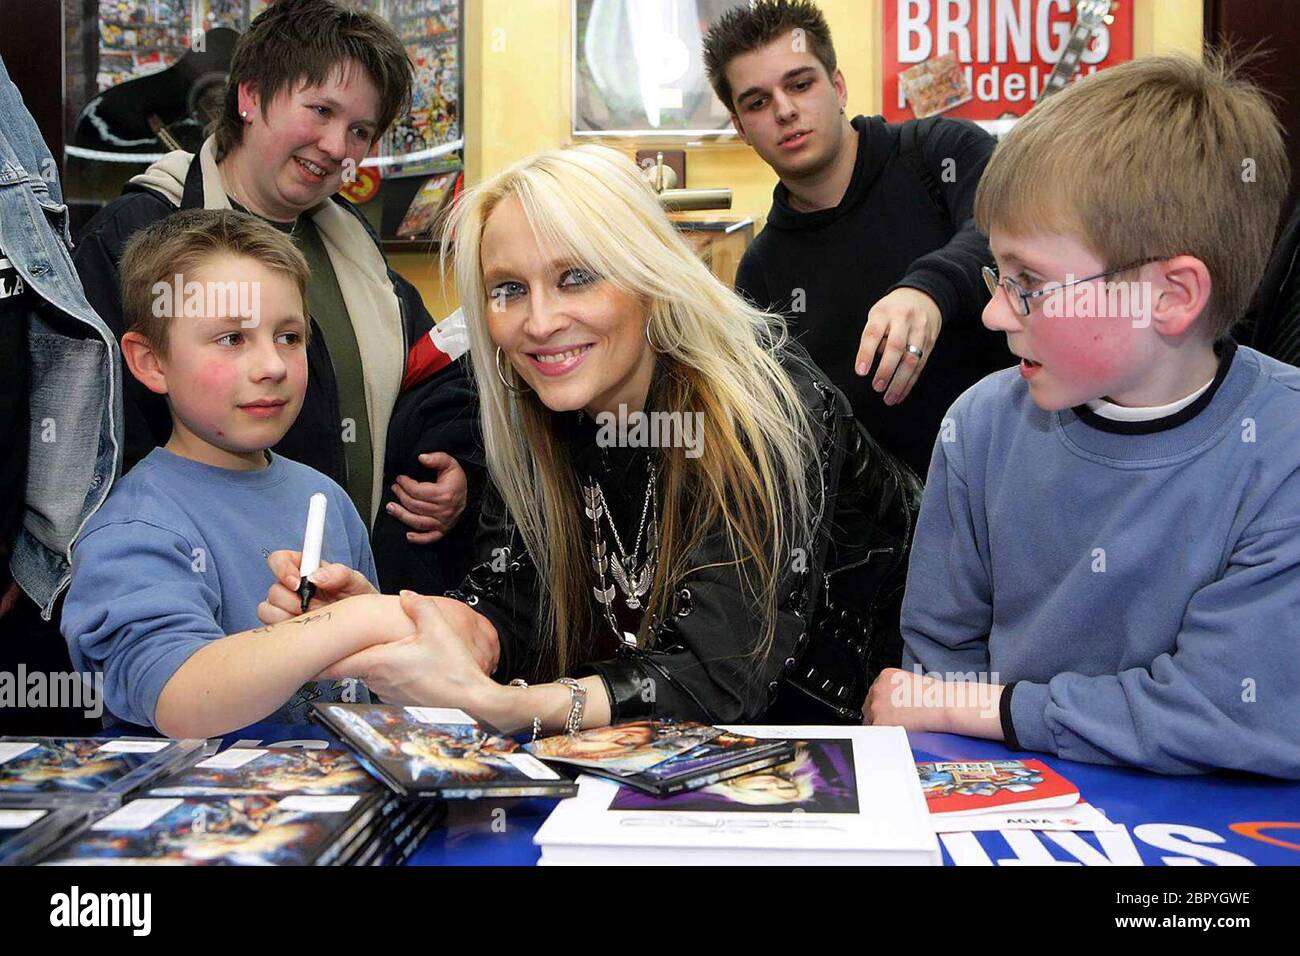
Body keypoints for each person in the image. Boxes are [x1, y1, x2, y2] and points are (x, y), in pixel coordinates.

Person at [260, 145, 922, 732]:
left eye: (576, 277)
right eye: (509, 289)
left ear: (647, 277)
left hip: (855, 756)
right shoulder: (540, 409)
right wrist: (401, 625)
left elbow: (720, 674)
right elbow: (513, 598)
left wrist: (508, 708)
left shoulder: (763, 399)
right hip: (661, 771)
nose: (539, 322)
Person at [863, 55, 1300, 779]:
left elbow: (1235, 713)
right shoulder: (979, 428)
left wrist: (994, 710)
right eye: (997, 275)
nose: (995, 311)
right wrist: (953, 709)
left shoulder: (1281, 445)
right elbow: (931, 681)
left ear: (1170, 295)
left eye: (1028, 281)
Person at [71, 0, 479, 569]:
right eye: (320, 110)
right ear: (250, 97)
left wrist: (453, 465)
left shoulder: (351, 244)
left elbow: (426, 375)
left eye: (359, 130)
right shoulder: (136, 235)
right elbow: (93, 432)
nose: (338, 147)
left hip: (349, 580)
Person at [60, 210, 435, 737]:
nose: (273, 366)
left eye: (289, 337)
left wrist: (365, 632)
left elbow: (372, 693)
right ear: (150, 362)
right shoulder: (135, 528)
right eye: (232, 339)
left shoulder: (324, 497)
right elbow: (176, 697)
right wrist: (352, 622)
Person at [702, 0, 1010, 477]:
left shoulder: (942, 154)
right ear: (741, 127)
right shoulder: (762, 272)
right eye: (757, 102)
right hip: (883, 542)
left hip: (1012, 492)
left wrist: (929, 289)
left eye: (800, 84)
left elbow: (1007, 228)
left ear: (838, 86)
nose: (785, 111)